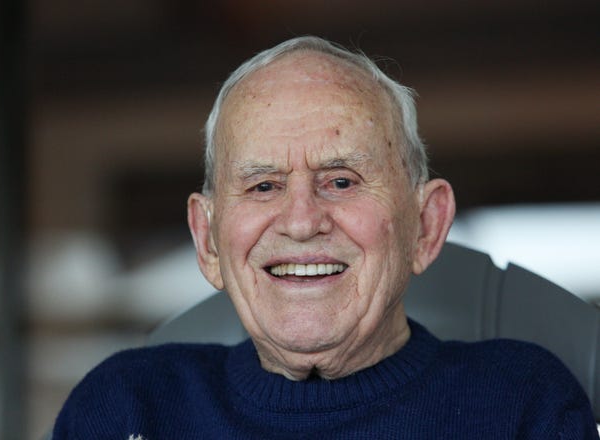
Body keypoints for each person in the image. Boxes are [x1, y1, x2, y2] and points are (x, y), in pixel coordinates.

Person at [51, 36, 598, 438]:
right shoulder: (124, 408)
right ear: (209, 241)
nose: (301, 219)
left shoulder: (523, 404)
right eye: (263, 185)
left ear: (426, 227)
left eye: (340, 181)